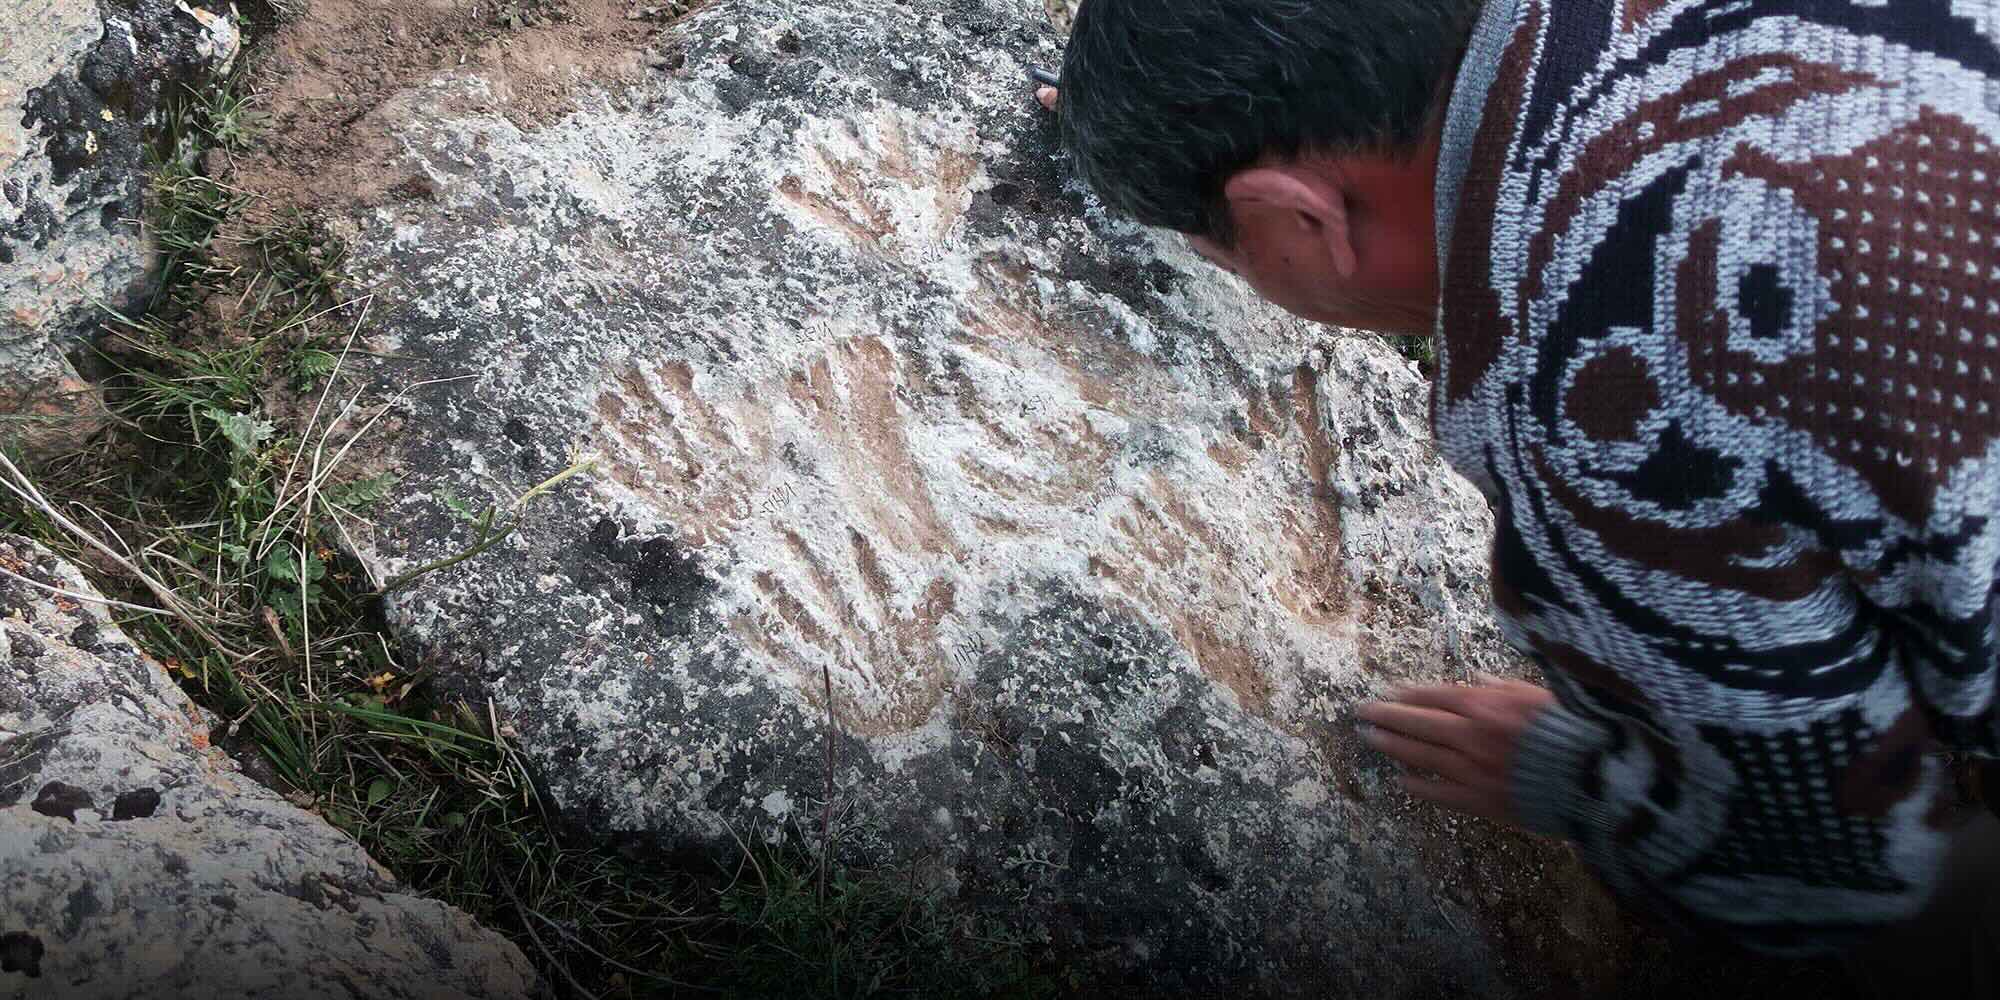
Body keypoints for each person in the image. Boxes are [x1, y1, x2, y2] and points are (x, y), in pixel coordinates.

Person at [1039, 0, 2000, 988]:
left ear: (1300, 215)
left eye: (1222, 252)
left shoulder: (1586, 387)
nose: (1240, 277)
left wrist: (1596, 785)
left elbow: (1827, 865)